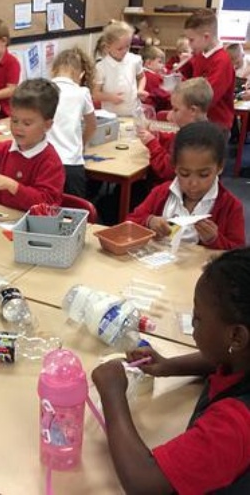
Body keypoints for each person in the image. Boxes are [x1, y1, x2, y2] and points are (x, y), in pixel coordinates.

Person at [92, 246, 250, 494]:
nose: (193, 324)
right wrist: (167, 366)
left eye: (198, 318)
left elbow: (143, 481)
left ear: (236, 336)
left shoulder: (234, 427)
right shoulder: (240, 356)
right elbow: (218, 359)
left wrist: (113, 394)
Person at [127, 121, 245, 250]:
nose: (193, 183)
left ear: (220, 167)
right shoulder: (161, 193)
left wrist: (214, 239)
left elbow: (239, 255)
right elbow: (129, 223)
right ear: (174, 167)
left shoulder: (230, 206)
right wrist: (149, 221)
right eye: (184, 174)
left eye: (204, 175)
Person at [0, 78, 65, 211]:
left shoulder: (50, 162)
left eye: (27, 123)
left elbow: (46, 204)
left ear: (47, 125)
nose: (18, 128)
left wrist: (12, 186)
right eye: (14, 120)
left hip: (29, 223)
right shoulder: (3, 149)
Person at [136, 77, 213, 183]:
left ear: (193, 110)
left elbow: (167, 170)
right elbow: (173, 139)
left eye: (176, 109)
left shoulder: (194, 141)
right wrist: (157, 135)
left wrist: (151, 143)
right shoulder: (195, 130)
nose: (170, 115)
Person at [46, 47, 97, 198]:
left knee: (44, 205)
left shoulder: (42, 88)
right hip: (71, 162)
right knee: (74, 207)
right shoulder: (82, 92)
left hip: (45, 160)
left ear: (53, 69)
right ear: (81, 74)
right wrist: (82, 143)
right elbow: (92, 125)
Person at [182, 8, 235, 133]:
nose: (189, 44)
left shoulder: (222, 61)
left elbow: (208, 98)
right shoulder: (200, 55)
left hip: (216, 125)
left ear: (206, 37)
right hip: (200, 120)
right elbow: (189, 80)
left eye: (191, 40)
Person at [93, 20, 147, 116]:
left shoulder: (134, 60)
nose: (125, 51)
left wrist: (140, 90)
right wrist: (110, 97)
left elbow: (142, 77)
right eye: (120, 48)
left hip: (134, 112)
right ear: (108, 47)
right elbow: (95, 94)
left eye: (128, 46)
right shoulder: (101, 67)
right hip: (112, 115)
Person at [141, 45, 171, 112]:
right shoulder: (153, 77)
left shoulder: (141, 74)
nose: (163, 66)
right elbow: (163, 95)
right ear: (148, 63)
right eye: (160, 62)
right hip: (153, 110)